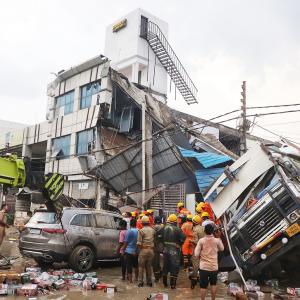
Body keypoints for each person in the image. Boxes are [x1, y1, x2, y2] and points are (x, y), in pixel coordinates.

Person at [195, 224, 224, 300]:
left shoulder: (201, 241)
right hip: (214, 267)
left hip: (203, 267)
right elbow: (222, 249)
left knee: (203, 286)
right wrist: (219, 238)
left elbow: (196, 254)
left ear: (204, 231)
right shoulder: (217, 241)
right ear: (212, 231)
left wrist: (200, 256)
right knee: (213, 284)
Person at [162, 214, 185, 289]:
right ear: (175, 222)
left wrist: (163, 244)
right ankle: (173, 285)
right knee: (174, 267)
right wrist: (180, 244)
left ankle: (165, 284)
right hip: (174, 251)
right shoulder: (177, 229)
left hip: (165, 250)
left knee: (165, 266)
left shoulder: (164, 228)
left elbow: (158, 236)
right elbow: (183, 238)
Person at [137, 215, 155, 287]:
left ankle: (141, 282)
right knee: (149, 267)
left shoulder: (141, 231)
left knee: (141, 267)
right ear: (148, 222)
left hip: (143, 250)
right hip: (151, 250)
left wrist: (139, 251)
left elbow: (139, 243)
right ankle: (149, 282)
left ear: (142, 223)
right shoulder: (153, 230)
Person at [189, 215, 205, 289]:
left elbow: (196, 241)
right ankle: (203, 280)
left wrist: (190, 241)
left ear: (194, 222)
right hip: (204, 250)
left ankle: (194, 280)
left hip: (197, 249)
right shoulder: (203, 228)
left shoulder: (195, 230)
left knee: (195, 265)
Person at [123, 219, 139, 283]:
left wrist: (123, 250)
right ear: (136, 224)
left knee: (129, 266)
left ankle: (130, 281)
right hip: (136, 251)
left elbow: (126, 242)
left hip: (129, 251)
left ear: (130, 224)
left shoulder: (129, 231)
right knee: (136, 266)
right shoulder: (139, 231)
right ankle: (136, 279)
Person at [153, 216, 164, 282]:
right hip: (162, 247)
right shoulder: (163, 227)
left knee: (155, 263)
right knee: (162, 262)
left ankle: (157, 277)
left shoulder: (154, 227)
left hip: (156, 247)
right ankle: (162, 273)